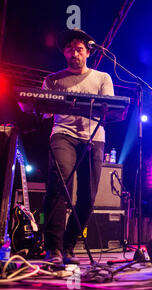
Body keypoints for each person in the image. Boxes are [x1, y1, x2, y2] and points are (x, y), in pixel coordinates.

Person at [42, 29, 114, 264]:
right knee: (59, 184)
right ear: (64, 52)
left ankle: (69, 245)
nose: (74, 52)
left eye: (79, 49)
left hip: (93, 137)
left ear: (88, 53)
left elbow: (110, 109)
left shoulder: (102, 78)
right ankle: (53, 248)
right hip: (63, 134)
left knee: (88, 197)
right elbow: (43, 111)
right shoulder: (53, 80)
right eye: (70, 49)